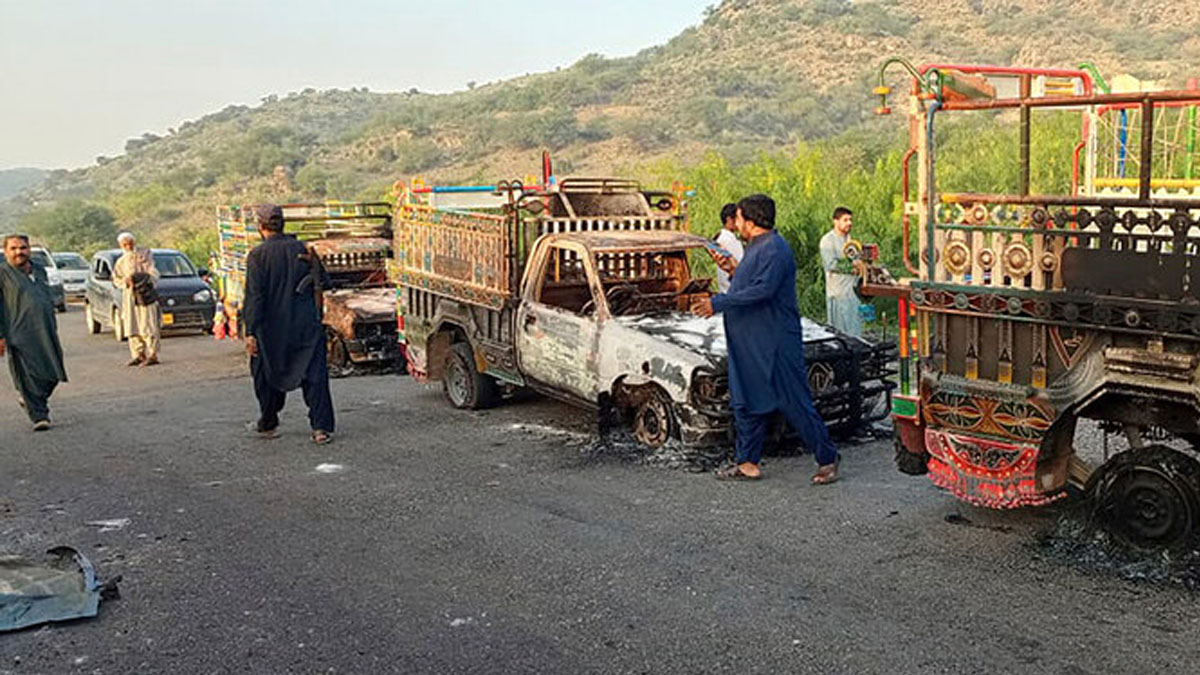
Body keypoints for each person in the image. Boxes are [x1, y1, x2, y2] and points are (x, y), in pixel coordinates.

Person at [692, 195, 839, 484]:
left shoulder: (775, 249)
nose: (736, 224)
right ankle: (747, 462)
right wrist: (733, 270)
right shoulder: (756, 248)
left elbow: (763, 290)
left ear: (751, 220)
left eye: (738, 218)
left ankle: (828, 457)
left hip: (774, 342)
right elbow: (750, 283)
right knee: (745, 400)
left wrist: (718, 303)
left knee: (793, 400)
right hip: (749, 342)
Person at [243, 204, 335, 444]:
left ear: (260, 227)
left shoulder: (257, 255)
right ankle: (320, 428)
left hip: (271, 328)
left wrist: (251, 331)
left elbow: (255, 296)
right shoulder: (303, 249)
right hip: (306, 323)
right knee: (314, 375)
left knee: (264, 372)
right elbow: (324, 282)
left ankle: (269, 421)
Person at [0, 234, 67, 431]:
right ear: (5, 251)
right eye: (13, 248)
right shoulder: (3, 273)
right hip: (18, 331)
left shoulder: (39, 270)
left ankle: (28, 396)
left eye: (23, 247)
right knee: (27, 373)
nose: (19, 252)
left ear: (29, 248)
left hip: (45, 329)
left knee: (53, 372)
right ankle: (39, 415)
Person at [112, 232, 162, 366]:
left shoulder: (145, 254)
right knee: (131, 325)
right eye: (125, 244)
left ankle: (152, 354)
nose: (128, 246)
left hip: (145, 294)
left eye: (130, 243)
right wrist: (126, 281)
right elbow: (116, 279)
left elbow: (153, 272)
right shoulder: (121, 261)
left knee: (148, 325)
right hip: (129, 296)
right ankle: (138, 354)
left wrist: (139, 278)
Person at [818, 206, 863, 337]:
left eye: (850, 220)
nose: (849, 223)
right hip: (838, 293)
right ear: (835, 221)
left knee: (854, 328)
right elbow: (831, 264)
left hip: (853, 292)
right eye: (845, 220)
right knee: (839, 331)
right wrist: (852, 267)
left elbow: (857, 259)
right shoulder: (827, 241)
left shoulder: (851, 240)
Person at [713, 203, 745, 293]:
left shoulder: (722, 238)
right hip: (733, 288)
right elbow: (741, 264)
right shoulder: (729, 240)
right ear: (729, 220)